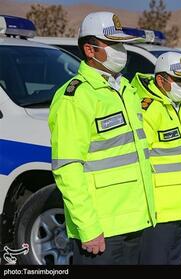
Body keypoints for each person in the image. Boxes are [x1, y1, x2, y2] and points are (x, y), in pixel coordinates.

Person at [48, 12, 156, 265]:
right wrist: (88, 227)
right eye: (114, 44)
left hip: (135, 220)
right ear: (90, 49)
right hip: (102, 229)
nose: (122, 50)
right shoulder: (75, 97)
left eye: (122, 44)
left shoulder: (126, 90)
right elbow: (67, 167)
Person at [131, 52, 181, 264]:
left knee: (174, 260)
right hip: (159, 210)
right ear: (161, 80)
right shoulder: (148, 110)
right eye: (179, 79)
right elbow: (139, 162)